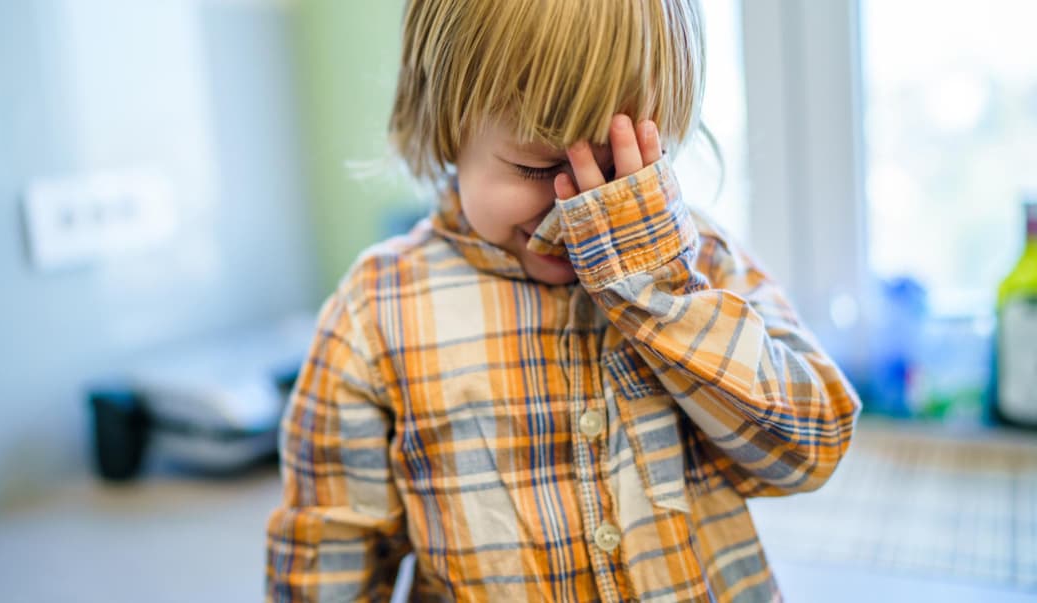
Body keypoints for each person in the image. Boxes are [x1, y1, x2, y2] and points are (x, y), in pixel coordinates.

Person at [266, 0, 862, 601]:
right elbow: (328, 553)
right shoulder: (376, 312)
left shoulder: (698, 259)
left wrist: (656, 290)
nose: (580, 212)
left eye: (624, 171)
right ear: (444, 122)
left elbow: (811, 450)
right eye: (537, 167)